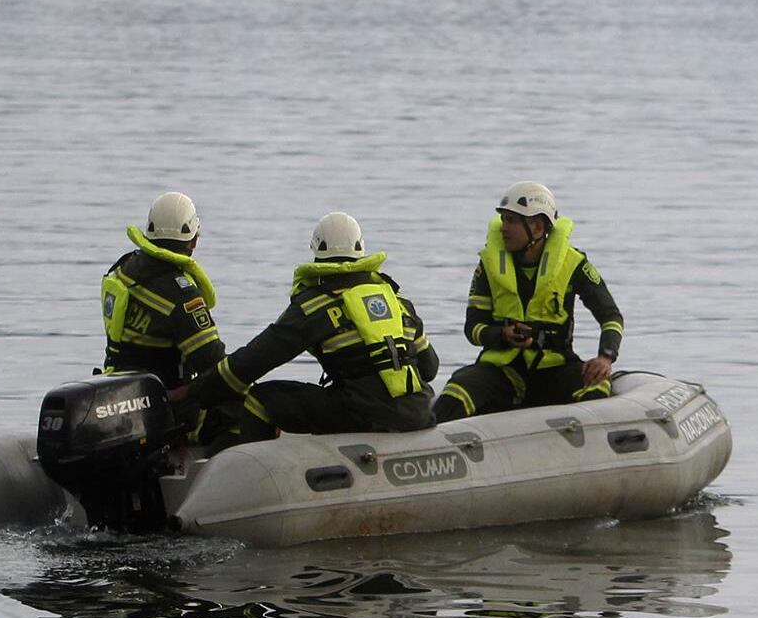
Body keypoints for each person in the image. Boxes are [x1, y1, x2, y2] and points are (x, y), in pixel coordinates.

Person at [175, 212, 438, 435]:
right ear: (360, 250)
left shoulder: (314, 306)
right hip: (418, 412)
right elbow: (429, 368)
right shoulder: (396, 300)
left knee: (261, 399)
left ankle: (241, 469)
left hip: (362, 414)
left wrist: (195, 393)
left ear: (316, 250)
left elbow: (252, 362)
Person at [432, 182, 623, 423]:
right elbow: (473, 328)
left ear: (537, 226)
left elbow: (610, 316)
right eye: (503, 219)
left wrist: (605, 357)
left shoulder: (573, 264)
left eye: (512, 220)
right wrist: (502, 335)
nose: (504, 228)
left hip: (555, 369)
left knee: (597, 386)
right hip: (502, 370)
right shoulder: (489, 265)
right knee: (457, 390)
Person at [100, 191, 270, 448]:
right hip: (165, 405)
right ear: (193, 239)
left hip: (119, 393)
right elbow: (213, 362)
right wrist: (256, 390)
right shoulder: (181, 296)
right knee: (247, 414)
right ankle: (211, 470)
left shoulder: (124, 269)